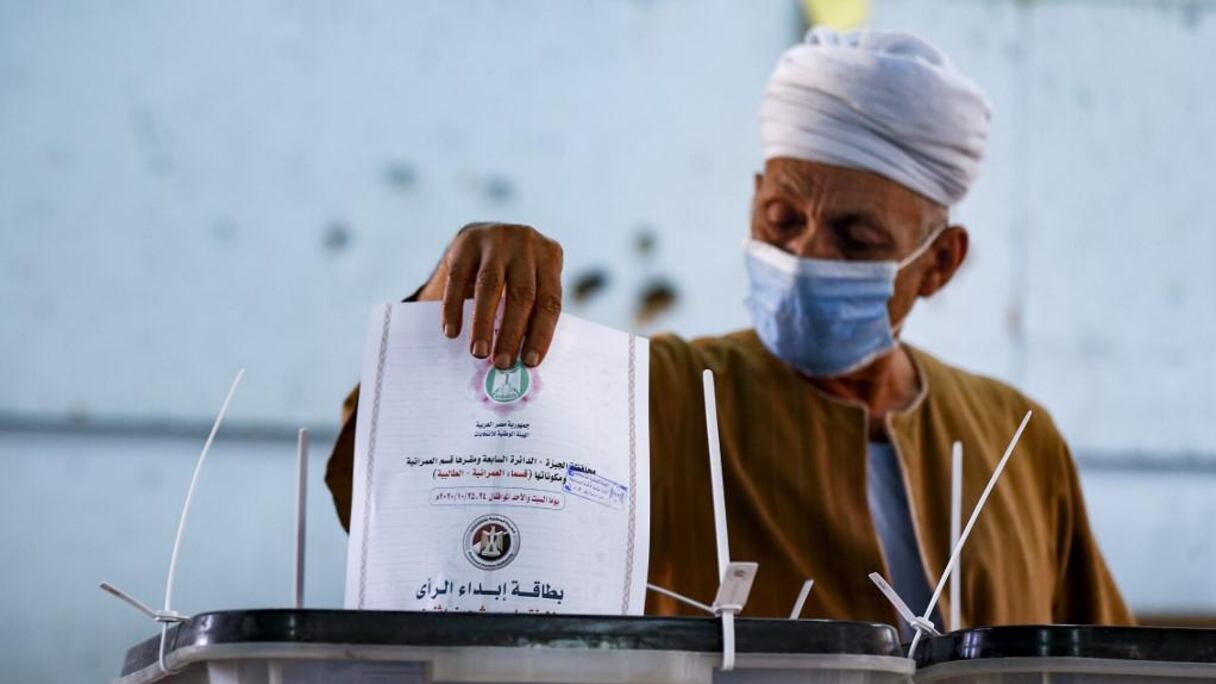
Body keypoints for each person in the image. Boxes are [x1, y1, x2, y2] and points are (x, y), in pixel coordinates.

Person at [325, 28, 1132, 628]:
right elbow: (392, 495)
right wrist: (451, 295)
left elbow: (1107, 664)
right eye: (782, 219)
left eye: (856, 240)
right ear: (754, 200)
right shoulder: (660, 396)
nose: (804, 256)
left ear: (941, 262)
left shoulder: (1020, 442)